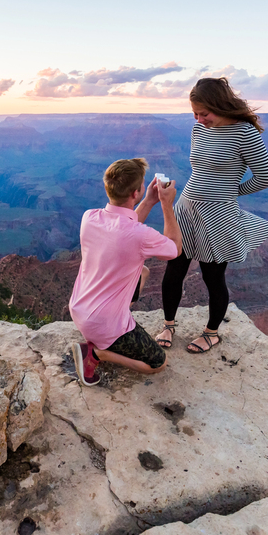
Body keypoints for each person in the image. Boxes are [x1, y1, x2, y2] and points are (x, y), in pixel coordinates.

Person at [156, 78, 268, 353]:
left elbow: (265, 177)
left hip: (218, 215)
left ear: (219, 105)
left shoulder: (245, 133)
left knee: (213, 276)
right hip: (185, 207)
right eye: (194, 114)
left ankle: (211, 333)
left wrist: (230, 193)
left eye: (204, 113)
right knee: (174, 268)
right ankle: (169, 324)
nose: (199, 119)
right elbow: (201, 169)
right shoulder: (198, 131)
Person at [68, 158, 182, 386]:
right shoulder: (140, 235)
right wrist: (167, 205)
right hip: (103, 325)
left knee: (144, 271)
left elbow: (123, 228)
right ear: (135, 192)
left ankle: (109, 329)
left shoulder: (89, 217)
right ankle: (97, 353)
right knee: (158, 363)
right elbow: (174, 250)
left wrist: (149, 201)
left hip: (79, 310)